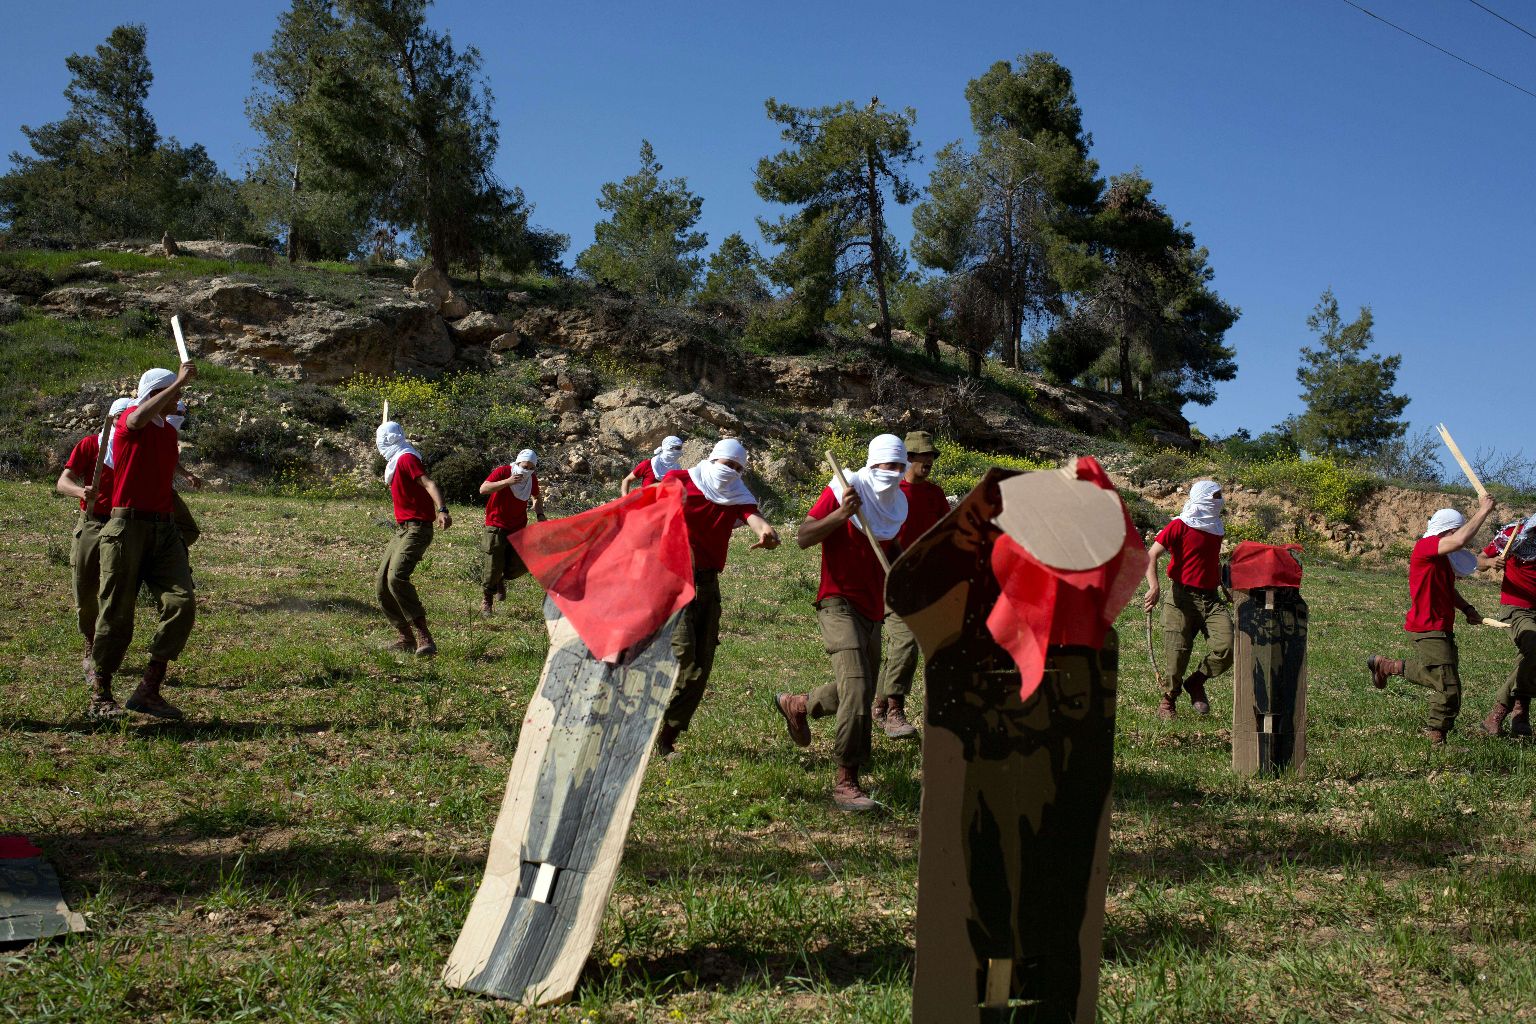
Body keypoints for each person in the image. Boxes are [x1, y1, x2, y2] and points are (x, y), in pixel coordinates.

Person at [774, 434, 909, 812]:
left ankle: (799, 705)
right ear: (872, 463)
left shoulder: (897, 504)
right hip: (837, 602)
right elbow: (803, 536)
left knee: (860, 689)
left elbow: (892, 542)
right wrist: (842, 514)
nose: (893, 473)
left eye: (899, 467)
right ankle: (847, 779)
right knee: (857, 686)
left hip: (873, 608)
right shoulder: (843, 488)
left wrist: (905, 568)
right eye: (886, 465)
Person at [654, 437, 780, 758]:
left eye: (738, 467)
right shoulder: (680, 480)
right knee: (682, 654)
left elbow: (753, 517)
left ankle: (666, 736)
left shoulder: (738, 495)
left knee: (699, 667)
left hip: (708, 584)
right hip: (672, 578)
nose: (731, 471)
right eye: (727, 463)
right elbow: (651, 511)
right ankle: (643, 713)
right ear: (713, 459)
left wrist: (765, 531)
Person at [88, 365, 198, 720]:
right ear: (153, 394)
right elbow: (137, 418)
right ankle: (101, 694)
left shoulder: (167, 434)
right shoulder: (127, 424)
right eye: (173, 392)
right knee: (116, 612)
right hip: (127, 527)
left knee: (182, 603)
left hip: (163, 530)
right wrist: (179, 380)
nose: (180, 399)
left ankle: (149, 688)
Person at [1366, 497, 1497, 745]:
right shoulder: (1425, 546)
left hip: (1440, 627)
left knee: (1441, 677)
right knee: (1448, 686)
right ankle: (1435, 737)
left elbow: (1448, 590)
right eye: (1456, 531)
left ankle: (1388, 666)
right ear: (1449, 531)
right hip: (1428, 627)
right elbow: (1460, 540)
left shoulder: (1443, 559)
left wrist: (1467, 608)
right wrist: (1483, 511)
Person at [873, 430, 949, 739]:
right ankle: (894, 710)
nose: (928, 460)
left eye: (931, 455)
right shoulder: (889, 491)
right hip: (889, 579)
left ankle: (876, 705)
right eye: (921, 455)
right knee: (904, 643)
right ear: (907, 458)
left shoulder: (934, 494)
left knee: (904, 648)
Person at [56, 396, 132, 681]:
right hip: (92, 521)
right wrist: (79, 492)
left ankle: (104, 650)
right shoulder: (91, 445)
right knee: (85, 584)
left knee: (114, 589)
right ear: (113, 420)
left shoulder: (136, 449)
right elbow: (63, 481)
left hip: (124, 524)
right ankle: (90, 641)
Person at [1143, 480, 1231, 720]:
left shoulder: (1216, 527)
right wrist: (1154, 586)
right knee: (1177, 656)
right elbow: (1151, 556)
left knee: (1226, 648)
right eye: (1216, 496)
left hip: (1211, 600)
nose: (1219, 500)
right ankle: (1168, 700)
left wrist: (1224, 586)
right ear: (1203, 497)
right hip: (1181, 599)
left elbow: (1208, 560)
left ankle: (1196, 682)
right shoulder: (1179, 525)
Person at [375, 419, 452, 655]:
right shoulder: (396, 462)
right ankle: (405, 637)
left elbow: (429, 483)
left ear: (386, 440)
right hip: (403, 529)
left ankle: (424, 637)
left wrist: (442, 509)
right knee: (382, 584)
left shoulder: (407, 458)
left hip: (417, 528)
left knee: (396, 577)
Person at [1478, 513, 1536, 737]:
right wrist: (1492, 561)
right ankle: (1500, 712)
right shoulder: (1513, 533)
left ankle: (1520, 716)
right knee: (1533, 645)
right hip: (1517, 608)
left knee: (1530, 655)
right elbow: (1479, 560)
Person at [479, 448, 545, 616]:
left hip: (518, 527)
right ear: (517, 462)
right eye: (525, 465)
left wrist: (540, 514)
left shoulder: (531, 479)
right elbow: (484, 489)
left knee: (522, 563)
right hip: (496, 523)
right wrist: (508, 482)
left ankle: (502, 578)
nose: (527, 470)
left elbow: (536, 497)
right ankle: (487, 599)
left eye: (531, 467)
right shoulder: (503, 472)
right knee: (493, 563)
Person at [620, 435, 684, 495]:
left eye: (680, 448)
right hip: (645, 505)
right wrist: (625, 499)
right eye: (677, 448)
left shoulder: (677, 470)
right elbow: (627, 480)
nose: (678, 451)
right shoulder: (647, 465)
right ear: (667, 448)